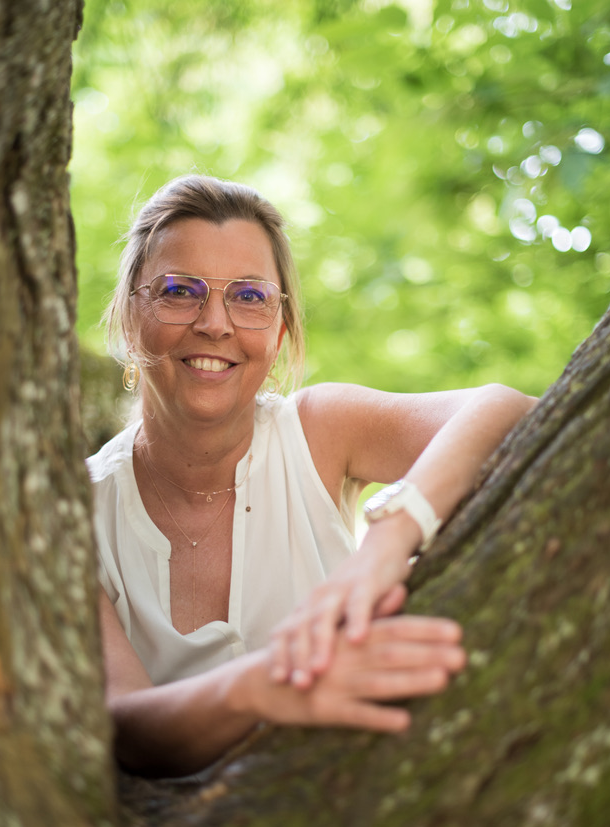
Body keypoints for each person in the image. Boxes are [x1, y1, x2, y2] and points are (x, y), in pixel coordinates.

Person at [89, 174, 536, 777]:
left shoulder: (321, 430)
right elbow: (126, 724)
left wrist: (390, 537)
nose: (215, 323)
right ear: (128, 315)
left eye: (249, 296)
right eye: (179, 289)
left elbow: (509, 411)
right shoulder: (74, 512)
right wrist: (267, 686)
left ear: (279, 330)